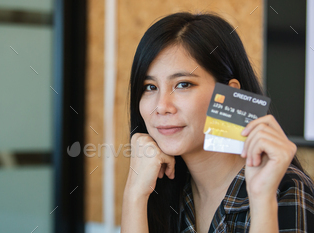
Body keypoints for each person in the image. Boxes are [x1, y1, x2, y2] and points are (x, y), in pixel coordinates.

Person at [120, 12, 314, 233]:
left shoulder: (283, 188)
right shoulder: (165, 185)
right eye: (150, 87)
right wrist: (134, 194)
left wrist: (262, 202)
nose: (162, 106)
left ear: (227, 93)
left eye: (183, 84)